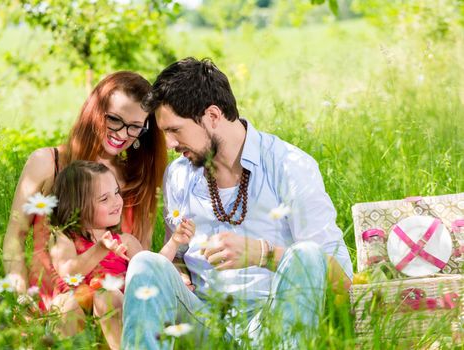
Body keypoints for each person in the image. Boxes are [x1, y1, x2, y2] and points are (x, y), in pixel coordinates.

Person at [121, 57, 354, 349]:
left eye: (175, 130)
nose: (169, 144)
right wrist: (179, 272)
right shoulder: (179, 175)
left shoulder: (289, 166)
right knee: (147, 263)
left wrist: (262, 254)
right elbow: (177, 254)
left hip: (275, 323)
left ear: (213, 116)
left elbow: (342, 283)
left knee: (308, 254)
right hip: (206, 327)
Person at [2, 72, 167, 312]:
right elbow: (14, 239)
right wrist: (20, 300)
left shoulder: (138, 179)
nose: (122, 134)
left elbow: (140, 257)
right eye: (115, 120)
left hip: (114, 309)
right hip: (54, 310)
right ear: (95, 112)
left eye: (134, 127)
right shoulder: (48, 163)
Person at [49, 160, 195, 349]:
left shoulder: (126, 241)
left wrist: (174, 242)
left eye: (116, 192)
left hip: (117, 316)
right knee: (69, 303)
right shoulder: (65, 237)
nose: (117, 201)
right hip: (78, 317)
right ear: (76, 206)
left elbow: (151, 269)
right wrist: (100, 248)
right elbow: (69, 273)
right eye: (104, 199)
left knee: (105, 295)